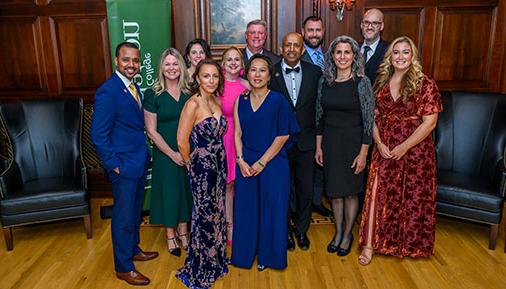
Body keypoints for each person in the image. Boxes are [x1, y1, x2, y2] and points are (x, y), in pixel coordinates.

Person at [358, 36, 442, 265]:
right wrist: (380, 143)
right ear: (390, 57)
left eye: (406, 52)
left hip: (415, 153)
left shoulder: (425, 84)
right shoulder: (381, 82)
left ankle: (404, 244)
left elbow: (430, 122)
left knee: (411, 197)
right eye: (396, 52)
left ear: (412, 56)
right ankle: (369, 245)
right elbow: (372, 118)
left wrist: (404, 147)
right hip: (384, 149)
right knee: (376, 194)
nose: (401, 57)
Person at [91, 42, 158, 286]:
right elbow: (98, 134)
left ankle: (133, 250)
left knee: (134, 211)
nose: (131, 64)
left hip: (138, 161)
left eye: (135, 60)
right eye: (126, 60)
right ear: (116, 61)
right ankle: (123, 266)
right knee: (122, 215)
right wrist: (113, 164)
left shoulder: (134, 87)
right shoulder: (108, 91)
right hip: (123, 165)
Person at [231, 54, 299, 271]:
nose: (257, 74)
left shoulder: (278, 100)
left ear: (269, 75)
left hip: (273, 164)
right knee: (247, 210)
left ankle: (269, 257)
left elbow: (283, 136)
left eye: (262, 70)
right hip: (246, 163)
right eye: (253, 70)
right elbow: (237, 132)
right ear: (247, 73)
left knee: (272, 210)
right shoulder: (240, 100)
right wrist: (241, 160)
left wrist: (261, 163)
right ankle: (243, 256)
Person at [315, 36, 374, 257]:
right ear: (332, 56)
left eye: (347, 52)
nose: (342, 57)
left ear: (354, 56)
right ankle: (338, 232)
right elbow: (319, 117)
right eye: (338, 52)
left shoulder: (362, 83)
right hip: (330, 143)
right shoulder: (325, 82)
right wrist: (319, 146)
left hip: (353, 145)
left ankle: (348, 234)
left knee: (350, 193)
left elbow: (369, 122)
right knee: (335, 193)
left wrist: (363, 153)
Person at [176, 59, 228, 289]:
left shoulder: (215, 100)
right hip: (202, 169)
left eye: (215, 76)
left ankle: (215, 263)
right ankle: (201, 268)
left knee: (217, 214)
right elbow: (181, 141)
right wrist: (190, 164)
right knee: (204, 217)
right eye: (206, 76)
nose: (211, 80)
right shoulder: (192, 104)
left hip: (219, 166)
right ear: (197, 78)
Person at [269, 32, 322, 251]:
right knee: (283, 189)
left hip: (306, 142)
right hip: (278, 143)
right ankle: (285, 231)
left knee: (305, 189)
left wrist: (320, 143)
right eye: (287, 45)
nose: (291, 49)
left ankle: (301, 230)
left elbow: (320, 110)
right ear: (281, 49)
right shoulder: (270, 73)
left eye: (296, 45)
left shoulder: (315, 73)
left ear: (302, 50)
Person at [144, 48, 192, 257]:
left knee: (184, 190)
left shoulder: (189, 91)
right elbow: (151, 131)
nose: (171, 68)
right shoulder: (152, 93)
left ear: (181, 66)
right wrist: (173, 154)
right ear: (161, 68)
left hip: (188, 150)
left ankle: (184, 232)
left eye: (175, 64)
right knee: (169, 192)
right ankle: (170, 234)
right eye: (167, 64)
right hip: (166, 152)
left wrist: (186, 153)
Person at [300, 15, 333, 218]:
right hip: (305, 118)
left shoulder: (332, 56)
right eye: (310, 30)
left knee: (322, 162)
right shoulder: (297, 57)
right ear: (303, 32)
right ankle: (302, 205)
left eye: (317, 30)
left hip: (328, 118)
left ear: (323, 32)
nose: (314, 34)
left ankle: (316, 201)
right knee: (304, 163)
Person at [218, 47, 250, 246]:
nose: (232, 62)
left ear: (241, 63)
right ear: (222, 63)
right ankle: (218, 226)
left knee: (233, 185)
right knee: (218, 185)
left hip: (239, 139)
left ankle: (232, 226)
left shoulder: (247, 85)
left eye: (236, 59)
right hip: (218, 139)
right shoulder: (215, 83)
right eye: (228, 59)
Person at [360, 8, 389, 84]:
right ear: (361, 25)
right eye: (366, 22)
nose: (369, 27)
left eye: (375, 23)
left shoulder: (390, 50)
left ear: (381, 26)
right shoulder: (352, 48)